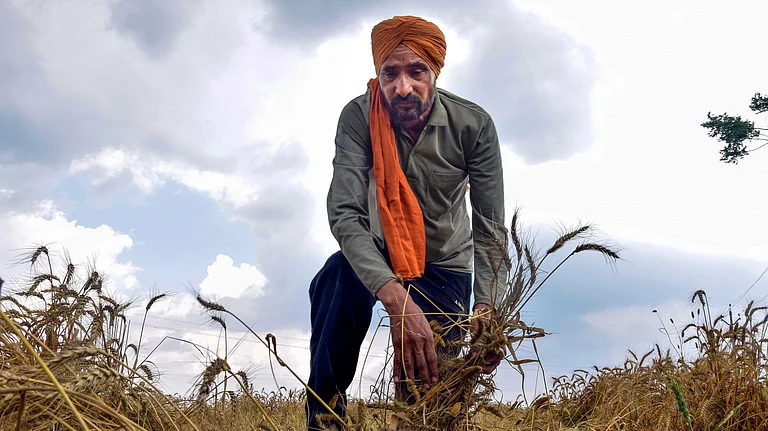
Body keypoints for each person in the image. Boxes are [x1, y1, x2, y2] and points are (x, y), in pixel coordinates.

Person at [305, 15, 508, 430]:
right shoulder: (359, 117)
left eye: (416, 72)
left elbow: (490, 228)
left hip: (445, 262)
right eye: (390, 73)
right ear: (378, 74)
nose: (402, 87)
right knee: (337, 276)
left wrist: (487, 310)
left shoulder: (474, 125)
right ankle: (324, 419)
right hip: (379, 251)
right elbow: (345, 213)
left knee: (428, 397)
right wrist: (396, 300)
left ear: (434, 73)